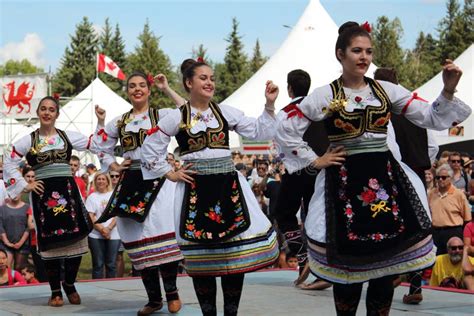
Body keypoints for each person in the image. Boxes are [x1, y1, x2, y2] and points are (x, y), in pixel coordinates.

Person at [275, 21, 471, 315]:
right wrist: (315, 160)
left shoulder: (387, 90)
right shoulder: (325, 95)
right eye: (356, 50)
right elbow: (286, 128)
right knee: (348, 266)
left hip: (386, 182)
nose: (364, 57)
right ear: (340, 54)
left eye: (368, 51)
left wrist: (448, 89)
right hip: (343, 184)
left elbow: (430, 117)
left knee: (386, 266)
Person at [140, 58, 280, 316]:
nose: (210, 82)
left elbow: (261, 131)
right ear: (188, 83)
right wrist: (170, 173)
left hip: (227, 188)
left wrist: (269, 104)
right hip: (195, 190)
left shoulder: (225, 111)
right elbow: (149, 149)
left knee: (232, 254)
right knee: (202, 257)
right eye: (203, 78)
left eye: (212, 78)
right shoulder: (176, 117)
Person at [94, 71, 184, 315]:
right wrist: (112, 164)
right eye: (132, 86)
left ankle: (173, 293)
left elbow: (189, 111)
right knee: (137, 241)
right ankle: (154, 299)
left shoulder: (161, 115)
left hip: (159, 180)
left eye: (142, 85)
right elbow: (100, 145)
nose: (137, 89)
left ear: (149, 89)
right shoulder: (119, 122)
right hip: (131, 182)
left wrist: (167, 88)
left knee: (163, 234)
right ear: (127, 91)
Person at [3, 96, 97, 306]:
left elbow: (94, 143)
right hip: (44, 197)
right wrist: (24, 185)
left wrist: (100, 121)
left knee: (77, 236)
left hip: (69, 195)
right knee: (50, 243)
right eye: (43, 109)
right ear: (38, 113)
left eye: (51, 109)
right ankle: (55, 290)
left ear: (57, 114)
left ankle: (70, 284)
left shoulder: (67, 136)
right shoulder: (28, 140)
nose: (47, 112)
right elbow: (9, 159)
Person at [374, 67, 437, 305]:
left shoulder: (380, 109)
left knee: (390, 225)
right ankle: (415, 285)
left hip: (391, 174)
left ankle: (389, 275)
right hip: (417, 172)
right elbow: (432, 146)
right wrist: (420, 162)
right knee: (418, 225)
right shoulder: (415, 106)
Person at [273, 69, 329, 285]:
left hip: (299, 170)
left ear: (289, 88)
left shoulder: (286, 112)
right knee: (317, 217)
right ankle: (323, 266)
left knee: (283, 213)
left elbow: (283, 141)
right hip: (323, 169)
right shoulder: (321, 109)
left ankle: (303, 254)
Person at [429, 164, 471, 255]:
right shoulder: (431, 194)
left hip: (454, 232)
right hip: (435, 233)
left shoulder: (459, 194)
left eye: (443, 177)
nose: (440, 179)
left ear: (450, 179)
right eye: (438, 177)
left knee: (455, 261)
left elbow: (467, 219)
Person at [86, 172, 121, 279]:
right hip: (96, 235)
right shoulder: (92, 197)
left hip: (114, 233)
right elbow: (90, 216)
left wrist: (109, 228)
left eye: (103, 179)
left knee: (111, 264)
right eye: (98, 179)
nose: (101, 181)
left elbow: (118, 214)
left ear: (107, 181)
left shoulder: (114, 195)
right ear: (95, 181)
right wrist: (102, 229)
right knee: (98, 264)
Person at [0, 191, 30, 270]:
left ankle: (19, 282)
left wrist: (20, 242)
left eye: (17, 192)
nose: (15, 195)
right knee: (6, 268)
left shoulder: (27, 207)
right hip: (5, 244)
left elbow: (29, 226)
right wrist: (6, 242)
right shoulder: (2, 208)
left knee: (19, 268)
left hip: (23, 244)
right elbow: (0, 226)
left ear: (21, 193)